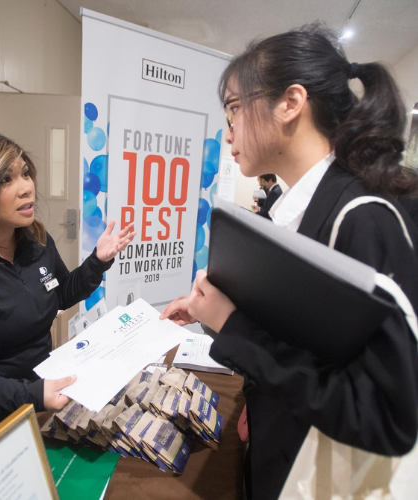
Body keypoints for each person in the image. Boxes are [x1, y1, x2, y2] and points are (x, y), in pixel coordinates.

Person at [160, 23, 418, 499]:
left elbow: (384, 417)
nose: (229, 129)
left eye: (235, 109)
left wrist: (233, 325)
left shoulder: (362, 219)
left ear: (290, 103)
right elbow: (307, 342)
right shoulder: (301, 208)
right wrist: (214, 310)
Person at [0, 131, 135, 478]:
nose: (26, 187)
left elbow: (60, 294)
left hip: (28, 414)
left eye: (25, 172)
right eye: (6, 179)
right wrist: (31, 393)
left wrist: (97, 261)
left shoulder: (35, 239)